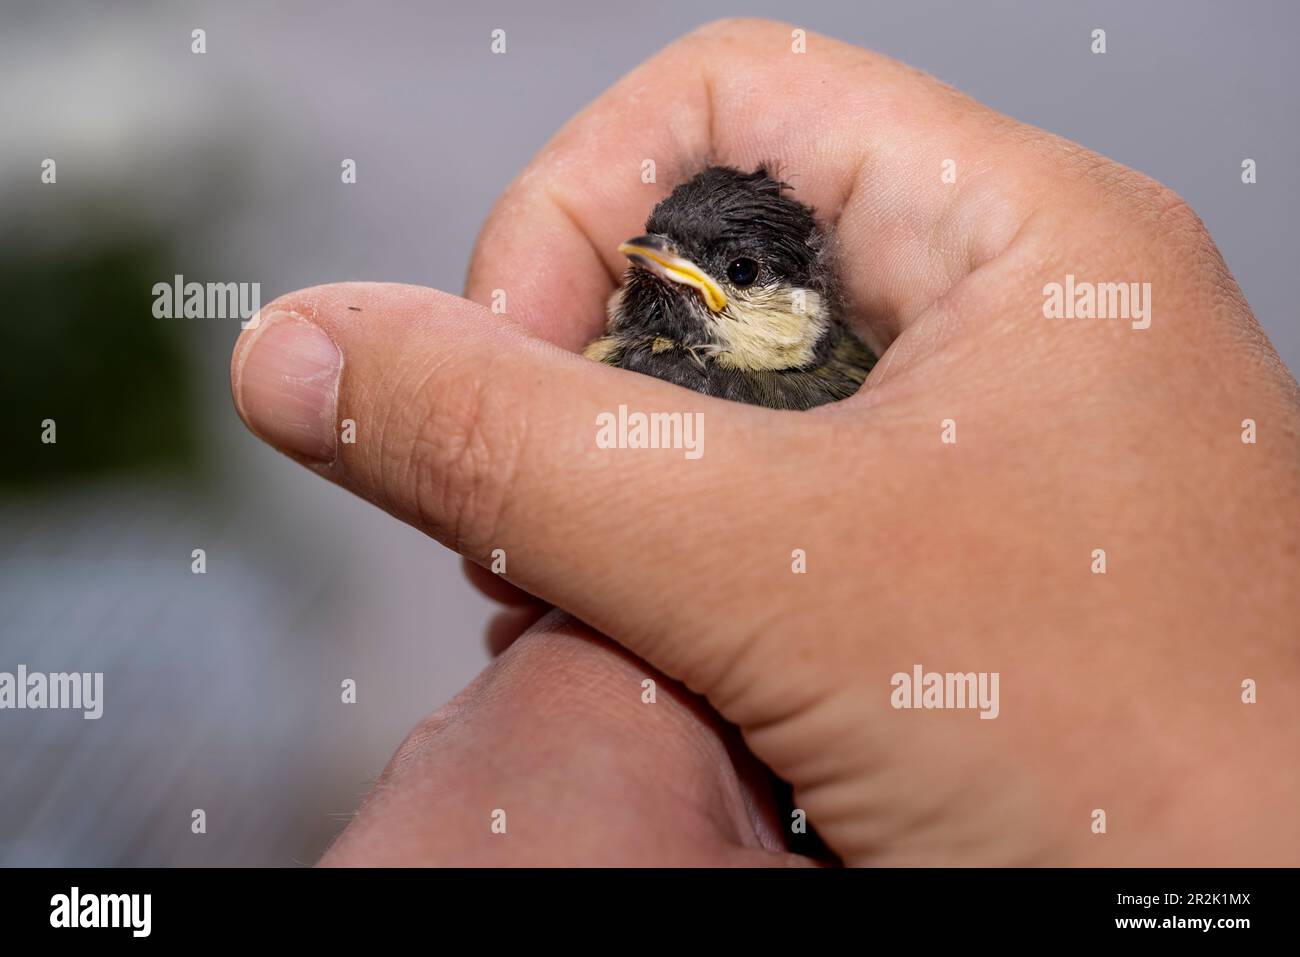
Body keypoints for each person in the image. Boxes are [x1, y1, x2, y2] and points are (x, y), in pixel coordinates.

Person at [229, 20, 1300, 866]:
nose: (679, 273)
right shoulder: (610, 357)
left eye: (736, 275)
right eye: (672, 254)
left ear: (799, 305)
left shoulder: (834, 406)